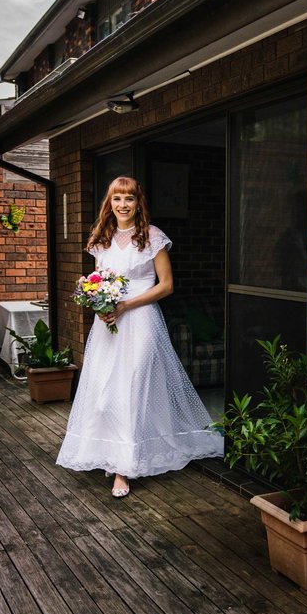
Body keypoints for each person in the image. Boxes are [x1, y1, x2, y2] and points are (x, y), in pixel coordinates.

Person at [56, 176, 223, 497]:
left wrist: (125, 304)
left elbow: (166, 285)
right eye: (117, 199)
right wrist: (101, 305)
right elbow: (97, 280)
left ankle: (124, 468)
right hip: (108, 326)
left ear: (138, 203)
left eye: (129, 199)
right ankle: (110, 452)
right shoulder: (101, 240)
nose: (123, 205)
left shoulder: (153, 237)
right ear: (110, 203)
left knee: (133, 389)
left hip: (142, 321)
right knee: (104, 394)